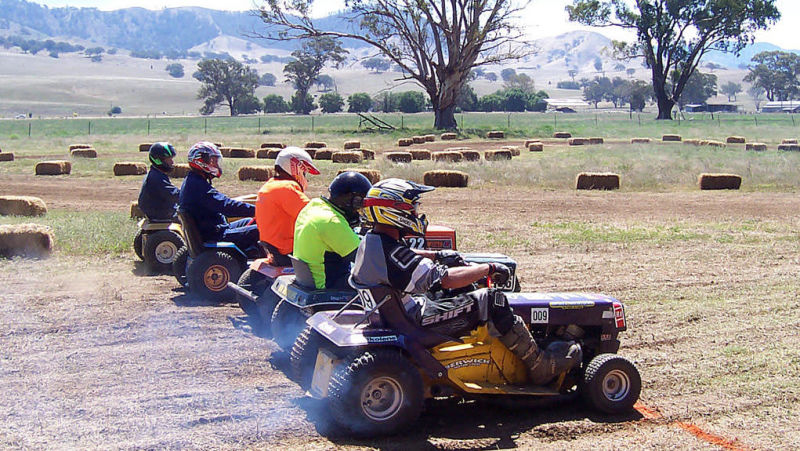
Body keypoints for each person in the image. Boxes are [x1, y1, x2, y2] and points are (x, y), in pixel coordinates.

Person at [352, 178, 582, 385]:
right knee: (491, 299)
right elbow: (446, 280)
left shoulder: (373, 242)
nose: (416, 213)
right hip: (415, 323)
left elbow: (405, 258)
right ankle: (540, 365)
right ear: (394, 211)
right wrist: (487, 268)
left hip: (397, 314)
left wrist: (437, 255)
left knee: (462, 288)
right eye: (413, 208)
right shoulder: (393, 254)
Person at [293, 171, 372, 290]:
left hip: (310, 279)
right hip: (328, 283)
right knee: (381, 283)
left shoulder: (313, 206)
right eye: (359, 204)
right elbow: (364, 260)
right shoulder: (332, 221)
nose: (359, 210)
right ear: (350, 200)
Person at [179, 141, 259, 252]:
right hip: (215, 235)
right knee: (262, 230)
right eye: (213, 161)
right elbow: (226, 206)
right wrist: (257, 210)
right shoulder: (198, 186)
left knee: (251, 221)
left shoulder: (192, 180)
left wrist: (254, 211)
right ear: (201, 161)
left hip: (214, 228)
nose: (216, 165)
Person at [255, 147, 319, 266]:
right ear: (296, 168)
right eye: (304, 173)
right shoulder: (287, 188)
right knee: (335, 255)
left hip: (273, 247)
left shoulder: (269, 185)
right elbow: (313, 214)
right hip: (288, 249)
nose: (305, 177)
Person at [137, 142, 179, 221]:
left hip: (159, 212)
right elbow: (174, 195)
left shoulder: (155, 173)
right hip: (162, 215)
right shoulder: (156, 178)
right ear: (158, 160)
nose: (172, 162)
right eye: (168, 159)